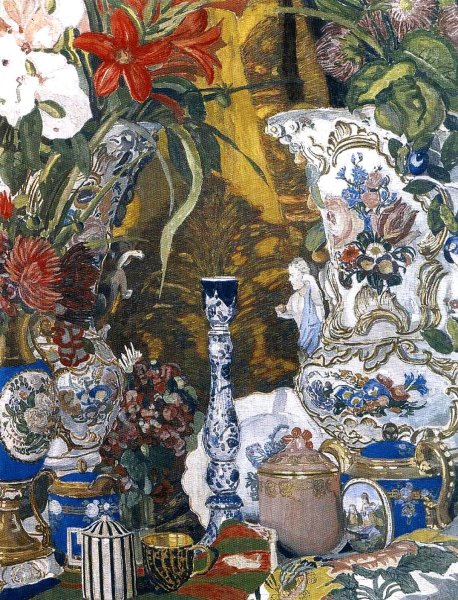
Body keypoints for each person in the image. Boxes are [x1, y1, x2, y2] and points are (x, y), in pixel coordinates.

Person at [275, 258, 325, 360]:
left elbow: (319, 302)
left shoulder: (313, 291)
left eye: (292, 275)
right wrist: (282, 310)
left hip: (318, 340)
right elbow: (291, 313)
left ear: (303, 275)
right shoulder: (294, 298)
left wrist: (310, 280)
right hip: (303, 340)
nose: (289, 279)